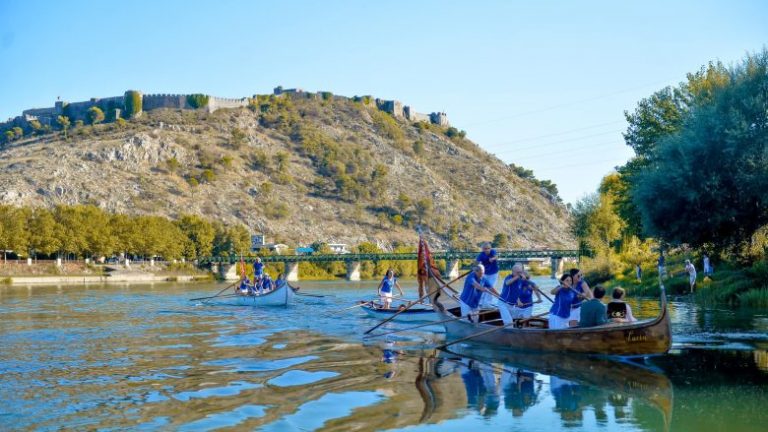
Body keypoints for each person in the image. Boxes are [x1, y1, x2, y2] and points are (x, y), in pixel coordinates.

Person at [476, 242, 500, 307]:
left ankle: (487, 303)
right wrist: (478, 265)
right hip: (485, 274)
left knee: (490, 287)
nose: (487, 250)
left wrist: (492, 258)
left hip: (494, 273)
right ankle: (481, 302)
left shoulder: (493, 251)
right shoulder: (481, 255)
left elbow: (496, 256)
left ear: (490, 248)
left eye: (488, 248)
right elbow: (477, 262)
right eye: (485, 249)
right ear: (482, 249)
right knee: (483, 287)